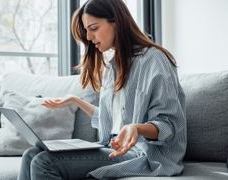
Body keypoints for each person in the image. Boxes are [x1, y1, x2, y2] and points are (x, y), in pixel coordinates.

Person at [17, 0, 186, 179]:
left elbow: (170, 126)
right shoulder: (114, 67)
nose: (88, 37)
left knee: (43, 161)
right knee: (30, 155)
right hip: (113, 148)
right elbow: (112, 121)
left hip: (145, 156)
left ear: (117, 22)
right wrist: (75, 100)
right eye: (86, 30)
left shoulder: (154, 60)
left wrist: (137, 128)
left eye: (94, 28)